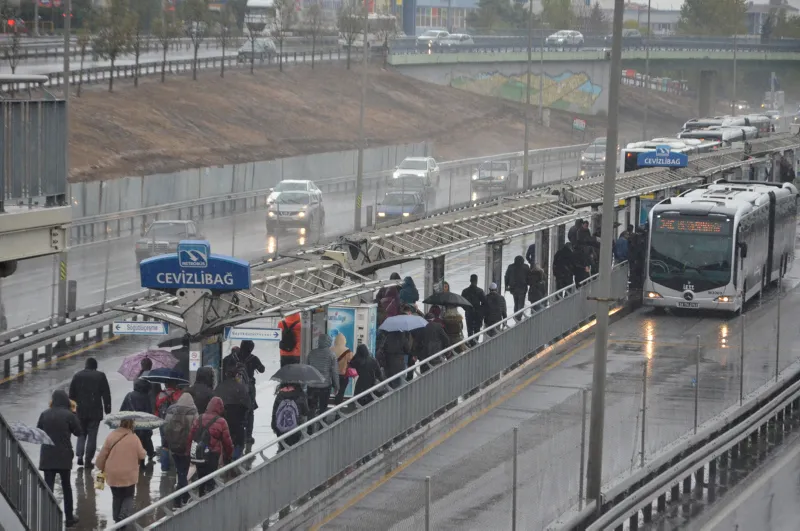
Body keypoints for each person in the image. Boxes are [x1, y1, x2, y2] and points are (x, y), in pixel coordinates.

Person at [37, 390, 81, 528]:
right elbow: (79, 432)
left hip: (48, 455)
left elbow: (39, 431)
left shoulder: (45, 414)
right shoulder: (69, 415)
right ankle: (69, 518)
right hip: (64, 456)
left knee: (48, 488)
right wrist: (74, 416)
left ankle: (46, 516)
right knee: (66, 487)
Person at [96, 419, 146, 525]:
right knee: (129, 495)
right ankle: (123, 514)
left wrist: (100, 467)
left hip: (113, 473)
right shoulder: (134, 438)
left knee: (117, 496)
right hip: (129, 473)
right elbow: (142, 455)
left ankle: (116, 518)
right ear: (132, 424)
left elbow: (103, 454)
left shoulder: (111, 436)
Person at [69, 357, 111, 468]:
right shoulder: (100, 376)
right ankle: (88, 459)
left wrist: (73, 411)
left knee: (81, 434)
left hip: (80, 411)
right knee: (92, 436)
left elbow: (71, 395)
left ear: (86, 365)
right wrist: (107, 408)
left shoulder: (77, 376)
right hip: (95, 411)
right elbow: (106, 394)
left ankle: (79, 456)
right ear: (95, 366)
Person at [187, 397, 233, 496]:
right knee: (210, 479)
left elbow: (190, 437)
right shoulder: (221, 421)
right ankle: (209, 499)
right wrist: (228, 456)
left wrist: (189, 453)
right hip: (212, 455)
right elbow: (227, 442)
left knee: (201, 479)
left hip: (199, 454)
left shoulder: (199, 418)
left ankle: (201, 497)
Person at [223, 340, 265, 444]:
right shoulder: (253, 358)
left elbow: (225, 368)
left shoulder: (233, 357)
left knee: (234, 408)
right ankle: (248, 436)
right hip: (248, 387)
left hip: (234, 386)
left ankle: (234, 432)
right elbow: (262, 369)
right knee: (250, 411)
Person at [163, 393, 198, 507]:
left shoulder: (171, 410)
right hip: (186, 448)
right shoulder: (193, 412)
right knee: (183, 473)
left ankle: (182, 496)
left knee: (180, 472)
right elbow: (196, 430)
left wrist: (167, 443)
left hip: (174, 447)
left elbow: (165, 428)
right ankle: (181, 497)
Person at [213, 365, 252, 458]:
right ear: (236, 375)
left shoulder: (219, 387)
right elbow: (248, 404)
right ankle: (235, 460)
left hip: (222, 421)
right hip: (237, 422)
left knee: (224, 442)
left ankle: (226, 459)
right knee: (238, 442)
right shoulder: (240, 387)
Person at [120, 379, 156, 463]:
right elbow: (149, 412)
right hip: (142, 425)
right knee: (143, 441)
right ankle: (142, 461)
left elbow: (122, 411)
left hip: (130, 423)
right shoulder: (145, 397)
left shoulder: (129, 395)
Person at [306, 333, 339, 417]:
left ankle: (310, 428)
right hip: (324, 386)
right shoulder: (331, 355)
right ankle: (322, 426)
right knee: (323, 408)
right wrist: (336, 386)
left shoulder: (311, 353)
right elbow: (334, 372)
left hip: (311, 385)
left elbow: (306, 368)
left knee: (311, 408)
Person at [271, 382, 310, 450]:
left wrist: (274, 426)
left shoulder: (280, 394)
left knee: (283, 448)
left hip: (281, 428)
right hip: (295, 427)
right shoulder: (300, 393)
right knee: (294, 449)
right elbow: (305, 412)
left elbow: (275, 412)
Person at [155, 382, 183, 471]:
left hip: (163, 422)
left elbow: (157, 408)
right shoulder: (179, 394)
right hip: (175, 422)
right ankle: (177, 467)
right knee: (177, 444)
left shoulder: (161, 394)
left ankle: (164, 467)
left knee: (165, 445)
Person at [461, 274, 487, 346]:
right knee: (477, 330)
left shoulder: (465, 291)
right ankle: (475, 344)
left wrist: (467, 309)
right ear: (477, 281)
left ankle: (470, 343)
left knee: (469, 330)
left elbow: (461, 302)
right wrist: (480, 310)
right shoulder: (480, 291)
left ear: (470, 280)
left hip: (469, 313)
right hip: (477, 313)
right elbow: (485, 302)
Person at [332, 334, 354, 405]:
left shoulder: (330, 349)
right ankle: (337, 409)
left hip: (332, 375)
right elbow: (351, 361)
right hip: (343, 375)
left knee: (334, 389)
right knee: (341, 392)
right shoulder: (348, 351)